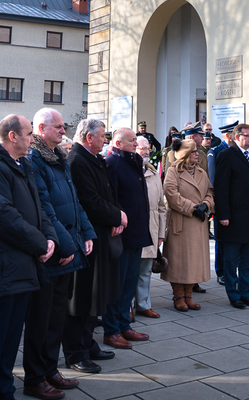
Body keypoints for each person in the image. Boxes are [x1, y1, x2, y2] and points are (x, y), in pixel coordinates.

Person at [0, 115, 58, 400]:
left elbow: (38, 208)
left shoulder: (22, 165)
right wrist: (39, 244)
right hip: (0, 269)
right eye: (29, 133)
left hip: (21, 268)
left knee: (9, 343)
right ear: (12, 137)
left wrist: (50, 238)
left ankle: (4, 391)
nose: (32, 138)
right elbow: (2, 217)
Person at [25, 108, 94, 399]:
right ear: (41, 128)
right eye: (57, 127)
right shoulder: (35, 159)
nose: (63, 131)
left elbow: (74, 202)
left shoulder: (60, 158)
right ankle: (35, 378)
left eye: (63, 127)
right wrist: (66, 245)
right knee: (41, 320)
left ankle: (50, 369)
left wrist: (87, 233)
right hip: (52, 250)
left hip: (67, 248)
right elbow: (43, 208)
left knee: (56, 318)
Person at [63, 118, 125, 374]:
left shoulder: (92, 158)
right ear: (89, 137)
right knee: (81, 298)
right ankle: (75, 352)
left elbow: (106, 195)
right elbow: (89, 201)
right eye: (102, 136)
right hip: (86, 239)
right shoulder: (77, 161)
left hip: (99, 236)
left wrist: (116, 213)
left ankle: (88, 344)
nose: (105, 141)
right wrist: (116, 215)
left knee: (94, 296)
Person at [103, 128, 151, 348]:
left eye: (136, 140)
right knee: (118, 284)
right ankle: (111, 330)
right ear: (118, 143)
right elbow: (111, 196)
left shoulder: (134, 161)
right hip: (122, 233)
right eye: (131, 141)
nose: (135, 143)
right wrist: (115, 220)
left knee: (130, 282)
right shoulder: (113, 162)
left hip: (137, 232)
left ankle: (125, 325)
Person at [214, 124, 249, 309]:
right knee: (231, 260)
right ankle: (233, 295)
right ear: (236, 137)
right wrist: (223, 214)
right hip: (233, 219)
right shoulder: (226, 156)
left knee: (247, 260)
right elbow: (221, 188)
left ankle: (245, 293)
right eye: (246, 136)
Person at [161, 140, 214, 311]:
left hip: (198, 223)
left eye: (197, 151)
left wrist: (206, 205)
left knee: (193, 261)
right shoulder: (173, 171)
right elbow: (171, 193)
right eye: (193, 152)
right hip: (181, 221)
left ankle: (189, 296)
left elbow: (210, 192)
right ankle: (178, 296)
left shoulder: (201, 172)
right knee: (179, 261)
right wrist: (192, 208)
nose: (197, 154)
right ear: (184, 154)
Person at [134, 136, 166, 318]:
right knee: (130, 271)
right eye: (142, 148)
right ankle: (128, 307)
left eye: (148, 148)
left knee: (146, 270)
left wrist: (161, 233)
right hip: (133, 229)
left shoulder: (154, 174)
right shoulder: (129, 171)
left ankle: (143, 304)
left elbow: (162, 207)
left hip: (151, 229)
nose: (146, 151)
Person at [207, 121, 237, 285]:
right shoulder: (215, 152)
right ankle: (221, 271)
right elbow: (213, 180)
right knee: (221, 239)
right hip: (221, 203)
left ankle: (231, 270)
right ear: (228, 135)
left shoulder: (236, 151)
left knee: (234, 239)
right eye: (234, 133)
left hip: (236, 204)